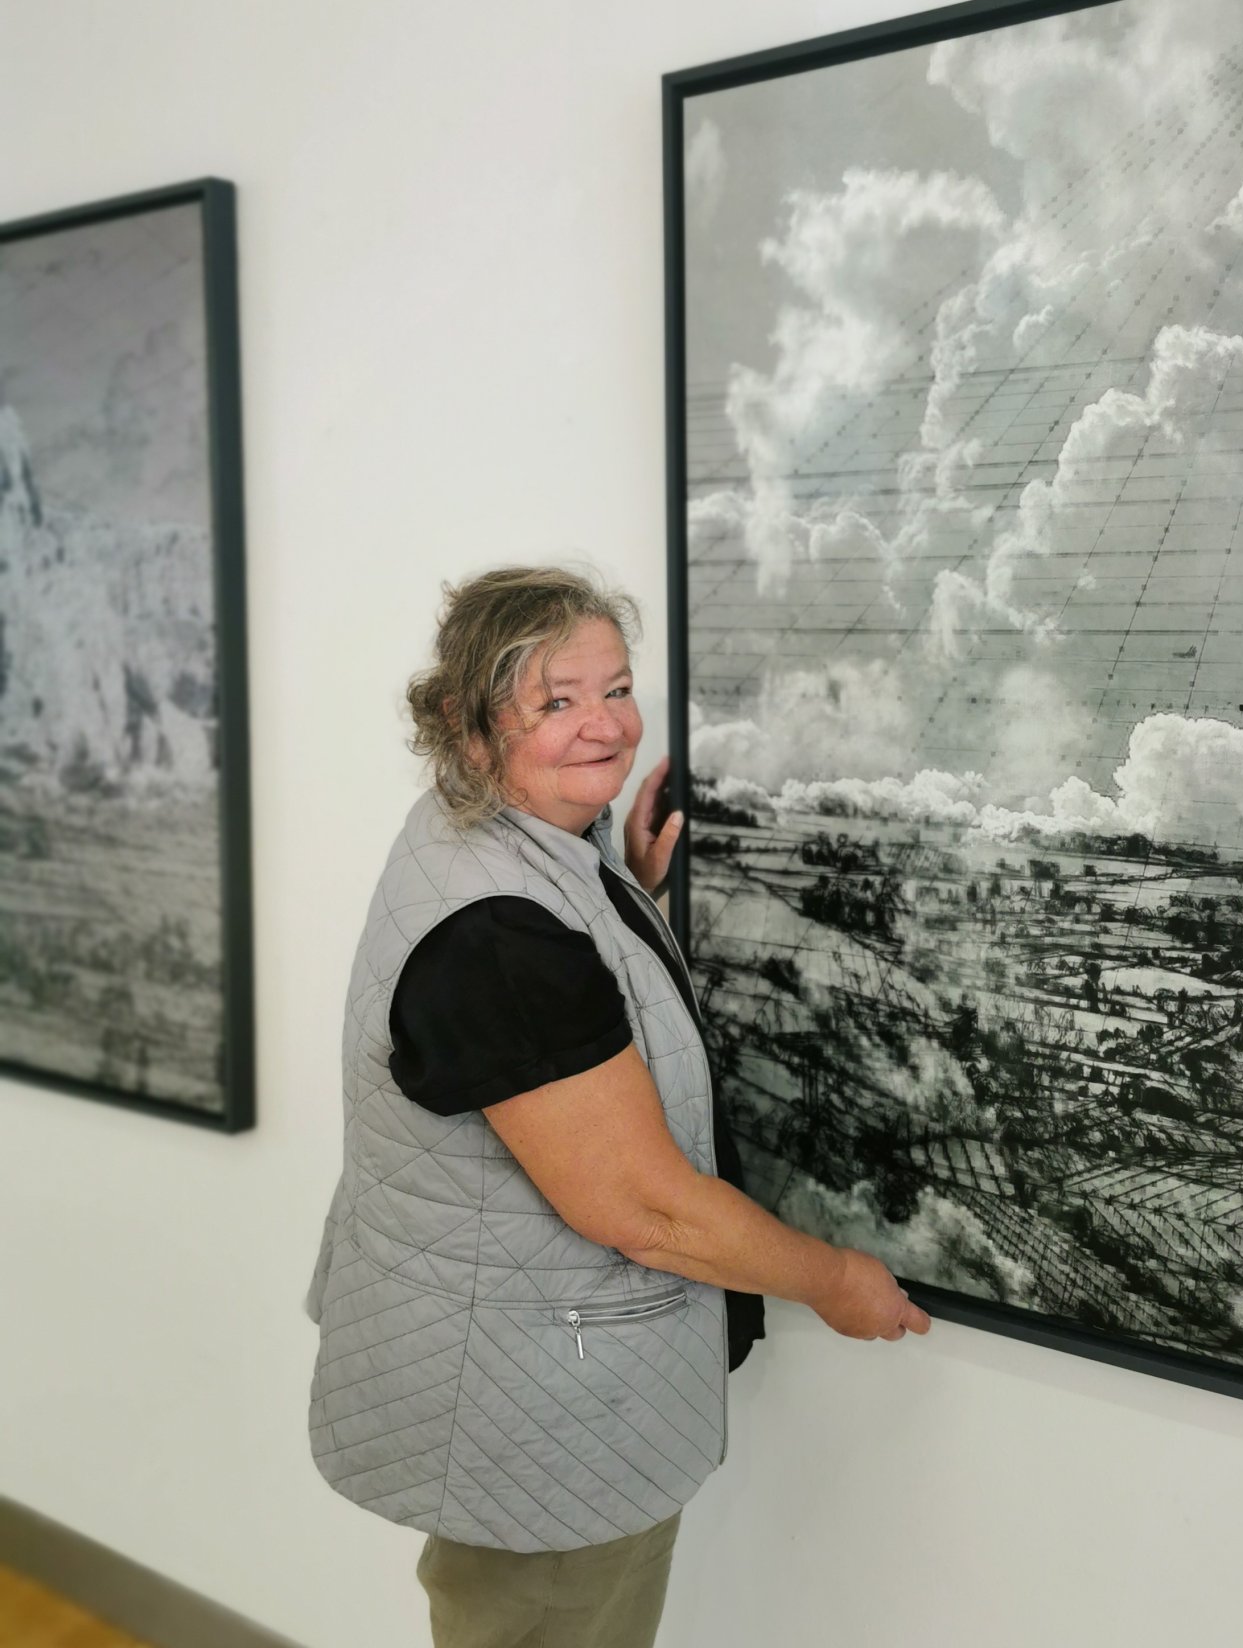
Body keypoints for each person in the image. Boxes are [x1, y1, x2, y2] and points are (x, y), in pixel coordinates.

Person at [305, 565, 929, 1648]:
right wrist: (836, 1280)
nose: (606, 726)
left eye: (617, 687)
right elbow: (643, 1207)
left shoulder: (491, 842)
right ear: (464, 724)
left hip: (513, 1386)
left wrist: (619, 879)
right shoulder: (498, 939)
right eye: (557, 702)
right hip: (537, 1426)